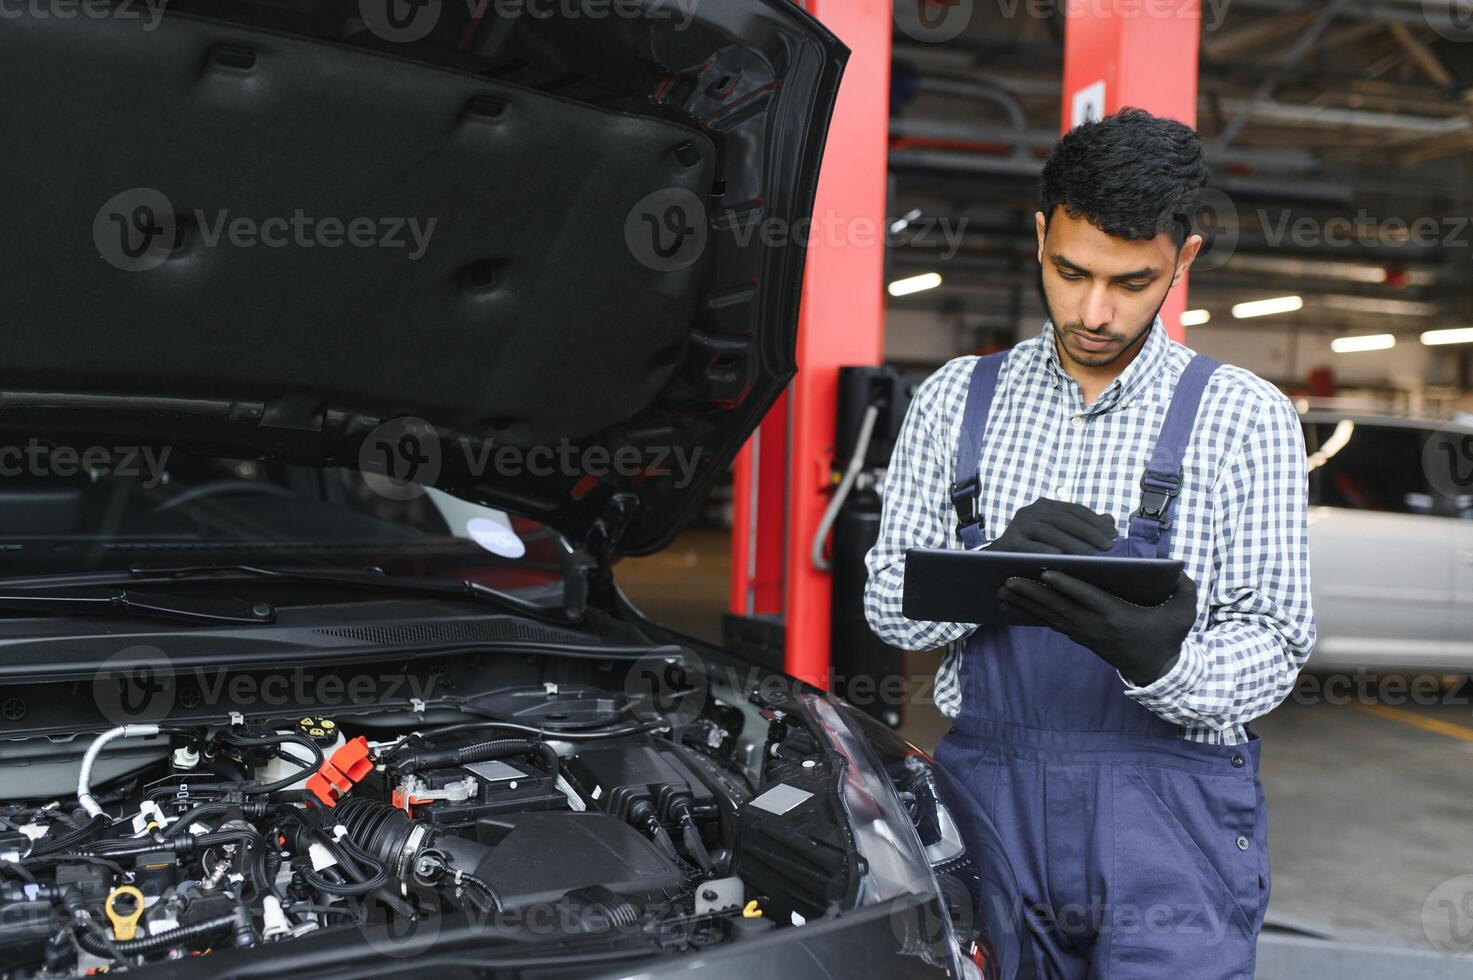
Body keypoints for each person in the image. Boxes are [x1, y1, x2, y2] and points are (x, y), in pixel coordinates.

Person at [863, 108, 1316, 979]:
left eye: (1132, 282)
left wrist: (1164, 665)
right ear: (1039, 236)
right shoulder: (955, 399)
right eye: (1069, 273)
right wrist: (982, 574)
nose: (1095, 311)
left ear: (1181, 262)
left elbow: (1276, 636)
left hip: (1168, 810)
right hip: (989, 794)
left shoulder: (1242, 416)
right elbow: (889, 604)